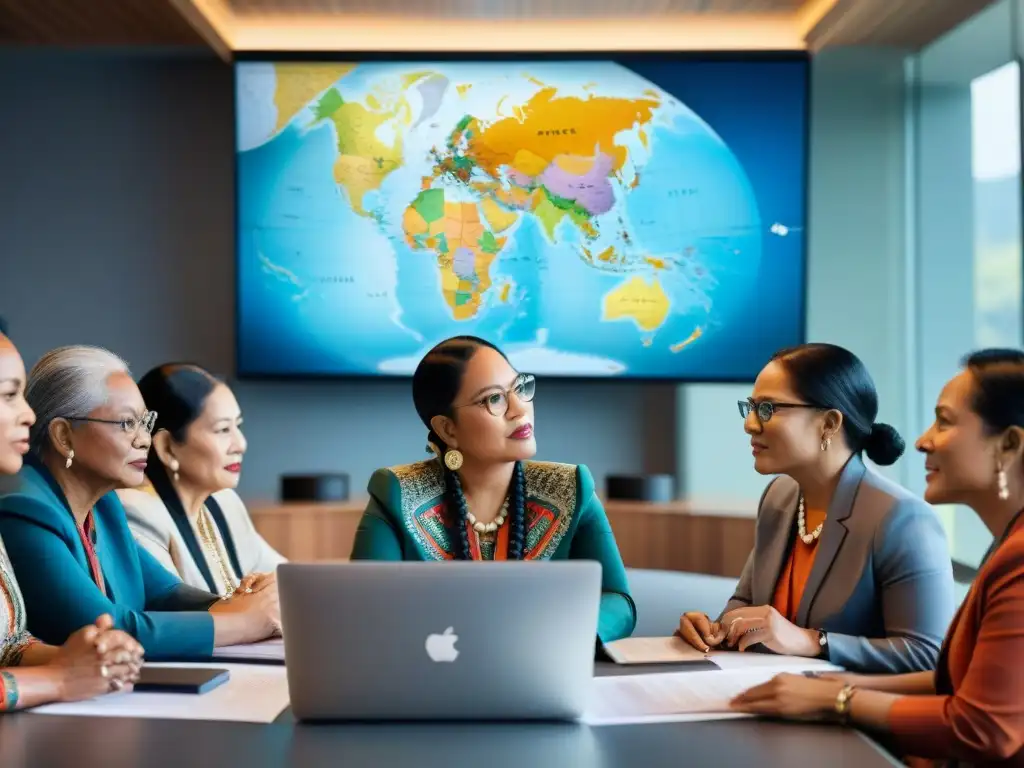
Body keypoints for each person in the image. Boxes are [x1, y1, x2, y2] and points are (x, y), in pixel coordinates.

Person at [731, 349, 1024, 766]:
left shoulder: (1006, 556)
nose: (922, 440)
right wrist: (823, 687)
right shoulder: (1006, 546)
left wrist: (839, 695)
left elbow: (982, 726)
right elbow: (951, 680)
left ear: (1009, 444)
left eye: (944, 420)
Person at [677, 343, 954, 673]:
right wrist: (714, 628)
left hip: (851, 714)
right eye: (750, 408)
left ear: (830, 423)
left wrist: (813, 641)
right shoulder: (779, 496)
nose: (749, 424)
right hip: (770, 699)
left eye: (767, 409)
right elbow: (747, 603)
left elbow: (927, 655)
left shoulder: (902, 518)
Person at [0, 345, 280, 661]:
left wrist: (243, 602)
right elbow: (107, 630)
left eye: (144, 423)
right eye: (126, 424)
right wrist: (244, 622)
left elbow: (166, 592)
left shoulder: (104, 504)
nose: (144, 440)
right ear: (64, 437)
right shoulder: (24, 508)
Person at [350, 336, 636, 643]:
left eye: (519, 388)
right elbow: (365, 609)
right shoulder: (396, 493)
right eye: (494, 399)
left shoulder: (571, 488)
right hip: (431, 677)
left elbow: (618, 601)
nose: (519, 410)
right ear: (448, 429)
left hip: (541, 671)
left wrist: (566, 634)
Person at [0, 333, 142, 710]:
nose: (29, 415)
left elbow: (7, 645)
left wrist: (91, 657)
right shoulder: (23, 506)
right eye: (9, 395)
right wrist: (57, 678)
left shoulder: (105, 506)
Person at [118, 364, 284, 597]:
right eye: (223, 430)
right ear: (167, 447)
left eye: (238, 425)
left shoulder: (224, 501)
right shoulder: (136, 512)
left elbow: (284, 577)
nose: (241, 444)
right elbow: (179, 614)